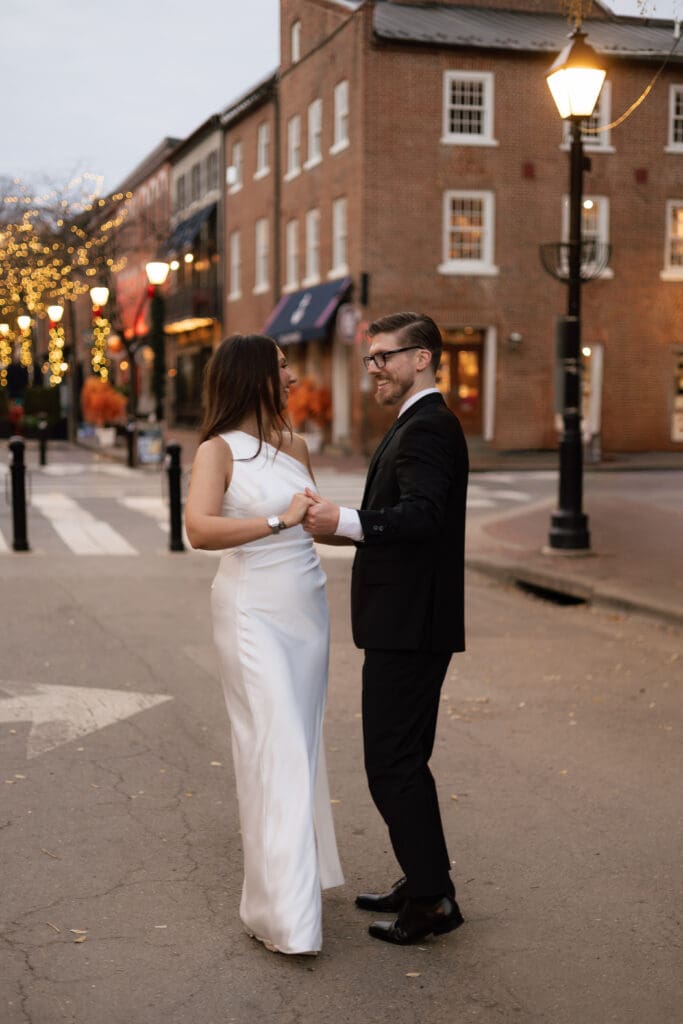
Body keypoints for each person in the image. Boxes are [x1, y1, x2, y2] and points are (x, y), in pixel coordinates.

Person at [303, 311, 468, 946]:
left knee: (391, 764)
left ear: (421, 358)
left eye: (384, 357)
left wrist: (345, 522)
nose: (373, 367)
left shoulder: (427, 427)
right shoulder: (418, 422)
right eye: (369, 358)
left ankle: (432, 901)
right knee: (406, 759)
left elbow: (421, 517)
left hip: (410, 624)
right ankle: (425, 878)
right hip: (408, 620)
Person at [185, 334, 344, 956]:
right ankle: (285, 916)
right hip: (252, 611)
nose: (293, 377)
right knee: (271, 749)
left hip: (306, 607)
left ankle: (286, 894)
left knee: (298, 750)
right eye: (281, 367)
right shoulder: (216, 450)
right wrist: (278, 519)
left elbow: (316, 520)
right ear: (253, 376)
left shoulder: (298, 445)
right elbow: (198, 529)